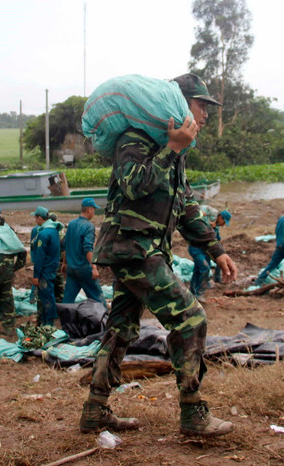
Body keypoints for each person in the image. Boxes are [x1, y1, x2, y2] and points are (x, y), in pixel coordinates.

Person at [80, 73, 238, 439]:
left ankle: (95, 410)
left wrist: (216, 249)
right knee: (191, 319)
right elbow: (135, 183)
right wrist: (172, 148)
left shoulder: (175, 152)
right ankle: (193, 412)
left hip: (143, 251)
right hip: (134, 250)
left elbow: (185, 207)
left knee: (120, 330)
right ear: (180, 104)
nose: (204, 116)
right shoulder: (134, 139)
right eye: (200, 106)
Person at [63, 198, 105, 304]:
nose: (94, 213)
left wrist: (64, 263)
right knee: (97, 298)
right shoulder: (88, 226)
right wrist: (94, 268)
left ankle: (65, 319)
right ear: (90, 210)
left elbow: (66, 244)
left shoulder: (71, 224)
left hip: (72, 268)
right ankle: (104, 319)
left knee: (68, 300)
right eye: (94, 210)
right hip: (84, 269)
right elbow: (88, 248)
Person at [31, 206, 63, 326]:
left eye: (36, 217)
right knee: (49, 293)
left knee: (46, 295)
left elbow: (40, 257)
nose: (35, 220)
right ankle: (47, 320)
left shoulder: (43, 234)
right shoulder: (54, 230)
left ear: (40, 218)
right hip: (53, 267)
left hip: (45, 269)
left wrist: (36, 275)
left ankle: (49, 321)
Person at [256, 203, 284, 285]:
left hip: (279, 246)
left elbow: (276, 231)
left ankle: (259, 280)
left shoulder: (281, 219)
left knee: (272, 265)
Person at [186, 205, 218, 300]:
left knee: (197, 269)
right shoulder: (200, 224)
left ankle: (192, 291)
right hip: (195, 249)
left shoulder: (209, 226)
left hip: (200, 249)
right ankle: (200, 293)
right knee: (205, 268)